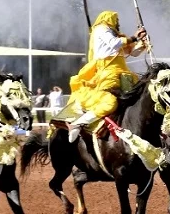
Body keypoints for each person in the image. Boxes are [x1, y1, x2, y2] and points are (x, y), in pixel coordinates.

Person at [63, 11, 147, 142]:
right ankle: (78, 124)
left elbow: (132, 53)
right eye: (116, 20)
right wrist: (134, 37)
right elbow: (114, 43)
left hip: (124, 75)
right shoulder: (101, 29)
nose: (118, 23)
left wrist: (142, 42)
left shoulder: (116, 35)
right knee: (110, 103)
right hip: (107, 75)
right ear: (109, 19)